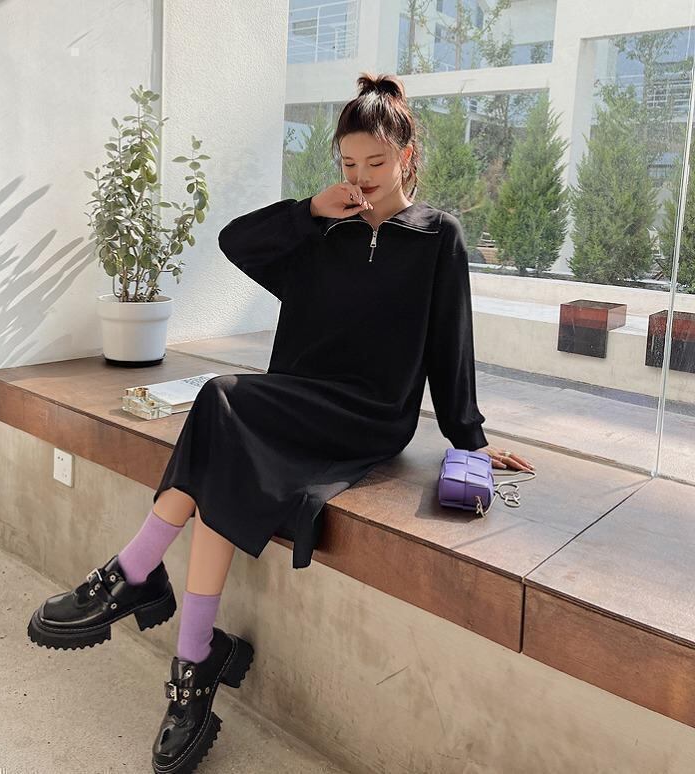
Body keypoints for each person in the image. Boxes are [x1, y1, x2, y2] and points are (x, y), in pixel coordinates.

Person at [27, 71, 535, 772]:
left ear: (407, 157)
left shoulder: (436, 237)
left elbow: (451, 344)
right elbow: (236, 241)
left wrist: (471, 439)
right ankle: (193, 658)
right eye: (348, 164)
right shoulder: (321, 231)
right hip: (295, 399)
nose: (361, 178)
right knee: (224, 429)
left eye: (376, 163)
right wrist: (310, 211)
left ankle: (137, 572)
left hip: (370, 415)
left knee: (222, 401)